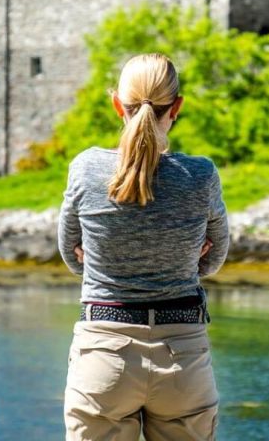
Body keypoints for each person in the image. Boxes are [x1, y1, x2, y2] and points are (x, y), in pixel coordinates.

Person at [57, 53, 230, 441]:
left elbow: (72, 255)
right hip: (182, 356)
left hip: (103, 352)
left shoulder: (86, 168)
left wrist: (104, 262)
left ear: (117, 103)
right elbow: (215, 257)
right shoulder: (201, 175)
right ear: (177, 107)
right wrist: (185, 259)